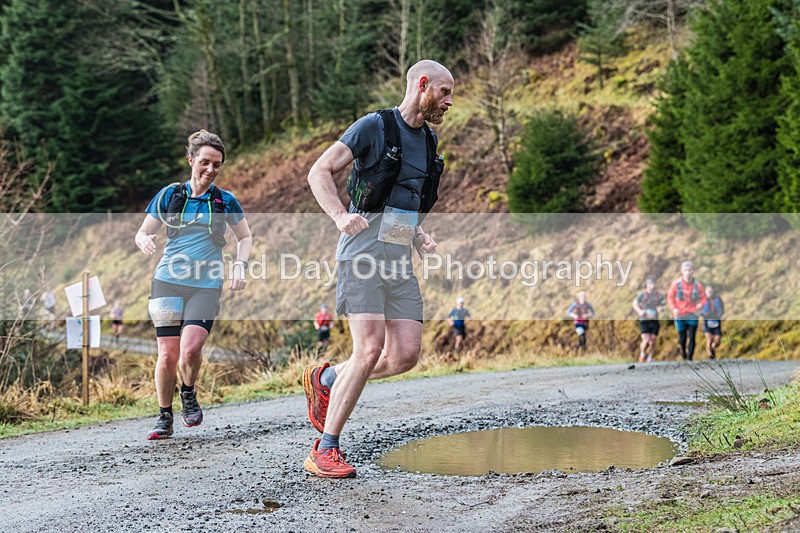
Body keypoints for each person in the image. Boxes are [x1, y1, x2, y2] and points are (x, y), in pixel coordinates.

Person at [302, 59, 453, 478]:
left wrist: (420, 236)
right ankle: (325, 448)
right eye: (445, 92)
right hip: (362, 253)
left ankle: (328, 379)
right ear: (422, 85)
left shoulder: (429, 142)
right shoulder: (374, 127)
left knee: (404, 355)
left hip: (398, 258)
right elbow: (320, 170)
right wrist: (337, 215)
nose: (450, 102)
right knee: (368, 350)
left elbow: (405, 199)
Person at [135, 130, 252, 440]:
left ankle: (187, 391)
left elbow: (245, 237)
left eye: (217, 164)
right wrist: (144, 239)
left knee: (191, 349)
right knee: (168, 355)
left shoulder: (225, 201)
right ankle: (164, 415)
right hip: (166, 283)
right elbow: (141, 232)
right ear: (191, 161)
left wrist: (240, 265)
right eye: (204, 162)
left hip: (206, 285)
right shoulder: (170, 195)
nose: (210, 170)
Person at [666, 261, 706, 361]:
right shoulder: (676, 284)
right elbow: (670, 297)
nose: (687, 272)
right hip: (680, 314)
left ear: (693, 271)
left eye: (689, 270)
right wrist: (673, 308)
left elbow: (703, 297)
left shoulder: (698, 285)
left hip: (693, 313)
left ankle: (690, 357)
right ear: (682, 271)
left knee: (692, 336)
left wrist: (699, 305)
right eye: (685, 270)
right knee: (682, 338)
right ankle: (683, 351)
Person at [631, 276, 666, 363]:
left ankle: (650, 357)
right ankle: (642, 353)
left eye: (653, 283)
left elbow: (664, 305)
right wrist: (640, 311)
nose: (652, 285)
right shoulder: (642, 295)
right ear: (647, 284)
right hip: (644, 320)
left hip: (654, 319)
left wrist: (661, 308)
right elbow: (634, 303)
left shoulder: (659, 295)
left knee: (653, 341)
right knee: (646, 340)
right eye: (650, 283)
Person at [701, 285, 724, 360]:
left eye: (711, 290)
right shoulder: (703, 300)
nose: (710, 292)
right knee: (709, 339)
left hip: (716, 321)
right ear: (705, 292)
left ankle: (712, 348)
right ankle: (710, 356)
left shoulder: (718, 299)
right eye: (708, 291)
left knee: (717, 341)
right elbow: (699, 311)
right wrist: (705, 315)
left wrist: (718, 315)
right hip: (707, 322)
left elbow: (722, 309)